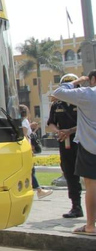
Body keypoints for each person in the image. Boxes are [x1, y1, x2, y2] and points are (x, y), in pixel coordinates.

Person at [52, 71, 96, 235]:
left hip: (90, 146)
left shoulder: (88, 93)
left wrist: (78, 81)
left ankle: (91, 226)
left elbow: (58, 92)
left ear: (92, 79)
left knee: (92, 185)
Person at [48, 74, 83, 218]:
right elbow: (51, 122)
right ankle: (76, 206)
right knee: (69, 173)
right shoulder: (57, 105)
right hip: (65, 143)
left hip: (82, 141)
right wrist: (58, 132)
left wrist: (70, 131)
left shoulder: (83, 102)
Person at [20, 105, 52, 199]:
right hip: (26, 149)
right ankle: (39, 191)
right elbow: (25, 135)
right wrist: (29, 149)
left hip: (25, 148)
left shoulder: (22, 122)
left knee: (30, 170)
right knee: (30, 170)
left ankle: (36, 190)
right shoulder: (24, 121)